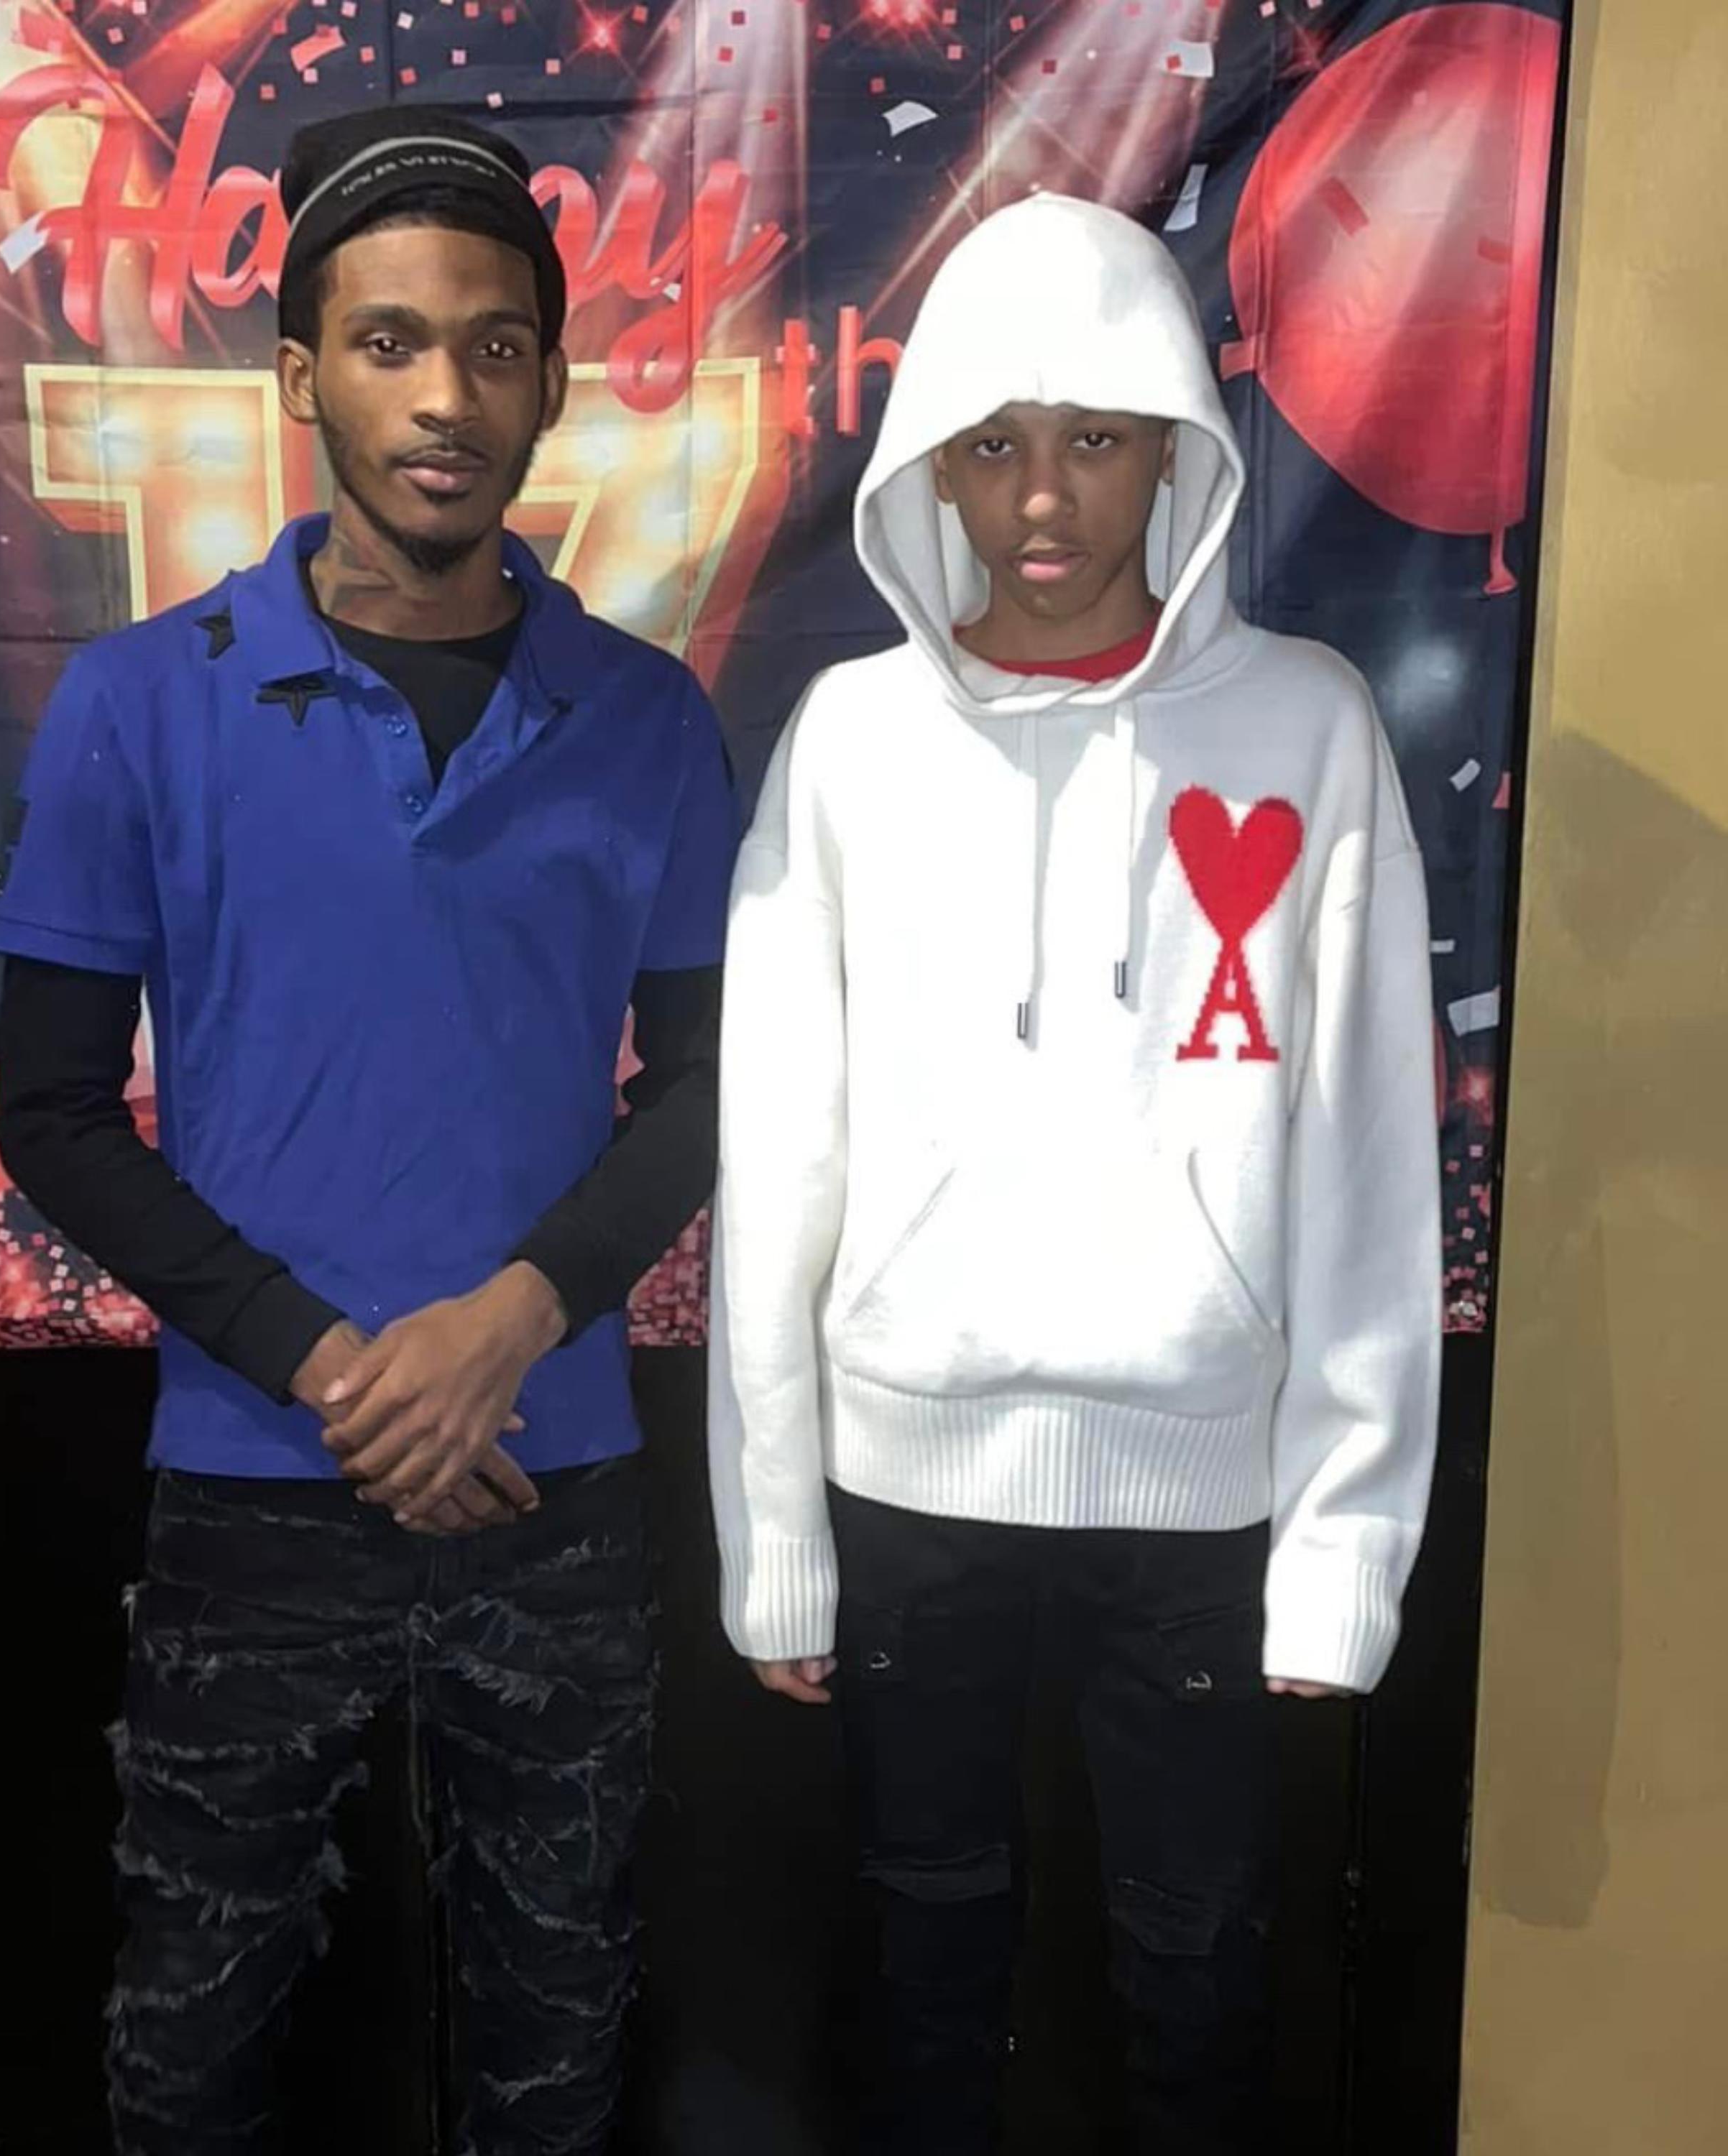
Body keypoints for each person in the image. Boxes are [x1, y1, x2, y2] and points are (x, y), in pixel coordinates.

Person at [0, 108, 736, 2156]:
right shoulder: (142, 702)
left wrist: (510, 1322)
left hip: (552, 1474)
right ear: (301, 376)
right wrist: (328, 1363)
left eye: (494, 348)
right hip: (256, 1476)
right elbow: (53, 1109)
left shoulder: (649, 718)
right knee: (190, 2047)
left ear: (551, 383)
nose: (444, 398)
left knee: (555, 2038)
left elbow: (709, 1091)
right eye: (391, 343)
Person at [707, 193, 1441, 2155]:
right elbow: (776, 1152)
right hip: (905, 1488)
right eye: (996, 444)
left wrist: (1342, 1550)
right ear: (931, 463)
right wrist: (775, 1532)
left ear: (1176, 450)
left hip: (1202, 1494)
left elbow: (1370, 1156)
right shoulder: (851, 740)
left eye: (1097, 439)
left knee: (1200, 1977)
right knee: (918, 1959)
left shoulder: (1306, 728)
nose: (1044, 497)